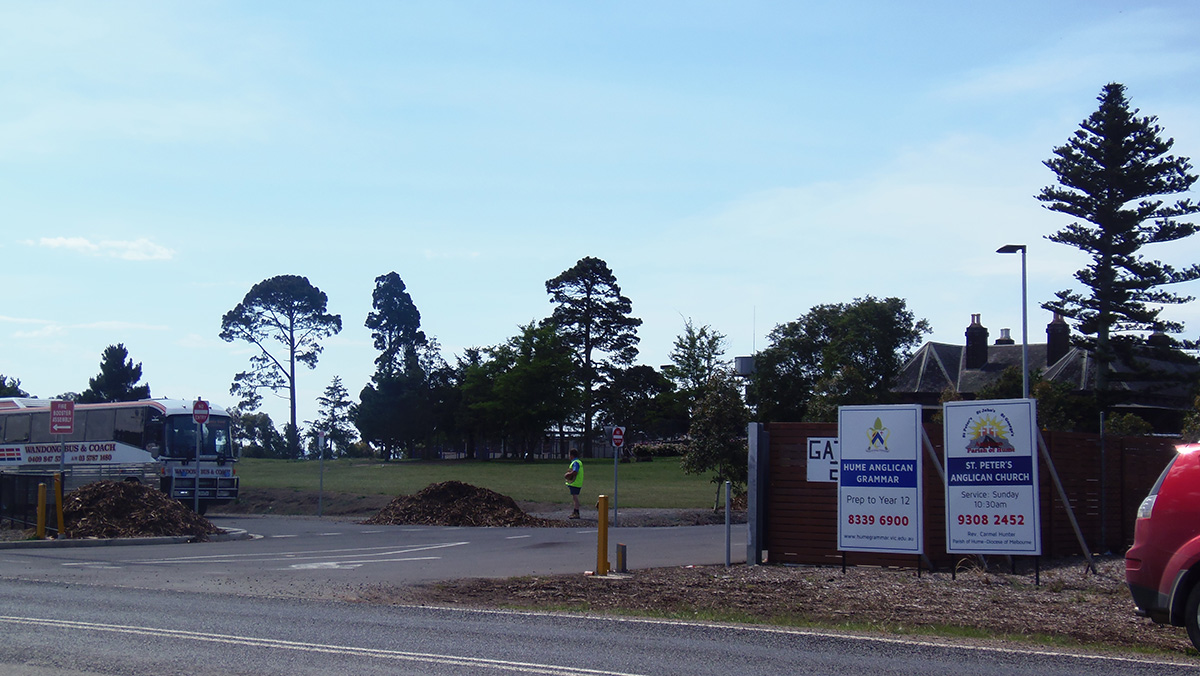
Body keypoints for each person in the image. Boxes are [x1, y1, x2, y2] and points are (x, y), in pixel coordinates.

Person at [563, 449, 583, 519]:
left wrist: (568, 474)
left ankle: (576, 512)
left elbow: (575, 471)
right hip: (577, 482)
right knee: (574, 497)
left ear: (571, 455)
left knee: (575, 497)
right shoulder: (578, 462)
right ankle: (575, 511)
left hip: (575, 482)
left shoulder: (575, 462)